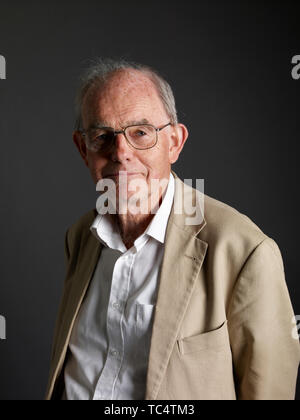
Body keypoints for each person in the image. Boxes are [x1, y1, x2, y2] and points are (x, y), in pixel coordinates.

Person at [46, 58, 300, 400]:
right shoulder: (79, 238)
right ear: (83, 149)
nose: (121, 153)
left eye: (140, 133)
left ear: (175, 143)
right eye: (103, 136)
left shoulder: (243, 252)